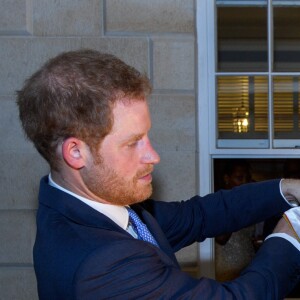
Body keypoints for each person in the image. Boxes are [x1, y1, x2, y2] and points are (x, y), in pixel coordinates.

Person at [17, 49, 300, 299]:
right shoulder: (102, 265)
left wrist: (285, 190)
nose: (153, 156)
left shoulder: (97, 206)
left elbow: (197, 215)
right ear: (76, 152)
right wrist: (289, 233)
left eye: (147, 136)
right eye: (132, 143)